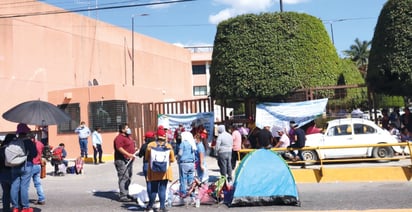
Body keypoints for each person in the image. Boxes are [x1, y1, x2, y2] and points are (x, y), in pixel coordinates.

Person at [145, 126, 175, 212]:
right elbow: (172, 159)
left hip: (154, 171)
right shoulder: (168, 146)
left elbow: (147, 158)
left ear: (156, 136)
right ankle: (162, 207)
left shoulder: (150, 145)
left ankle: (150, 206)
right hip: (165, 172)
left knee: (154, 190)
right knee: (162, 189)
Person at [10, 123, 38, 212]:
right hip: (26, 165)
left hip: (14, 166)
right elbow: (35, 154)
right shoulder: (28, 141)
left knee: (14, 186)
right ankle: (25, 207)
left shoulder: (14, 141)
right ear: (26, 132)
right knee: (24, 187)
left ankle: (15, 207)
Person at [113, 123, 136, 202]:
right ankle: (123, 195)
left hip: (129, 160)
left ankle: (126, 192)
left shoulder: (128, 137)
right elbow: (119, 148)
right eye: (127, 128)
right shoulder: (119, 138)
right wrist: (128, 154)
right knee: (124, 177)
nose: (128, 129)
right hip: (121, 160)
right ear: (122, 130)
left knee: (129, 177)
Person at [177, 131, 196, 200]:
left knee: (183, 179)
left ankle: (183, 194)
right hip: (191, 163)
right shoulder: (192, 143)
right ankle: (192, 194)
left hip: (184, 163)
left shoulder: (183, 143)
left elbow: (180, 153)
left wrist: (177, 159)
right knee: (191, 180)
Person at [0, 133, 16, 212]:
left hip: (2, 173)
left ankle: (6, 208)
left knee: (5, 193)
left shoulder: (1, 149)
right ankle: (15, 208)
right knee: (14, 191)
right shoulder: (12, 150)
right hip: (12, 172)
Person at [137, 131, 156, 197]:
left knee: (149, 182)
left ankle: (150, 198)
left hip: (146, 164)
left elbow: (140, 155)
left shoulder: (145, 145)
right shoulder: (156, 144)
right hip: (156, 165)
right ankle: (155, 196)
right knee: (155, 182)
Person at [31, 135, 46, 205]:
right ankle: (42, 198)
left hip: (30, 165)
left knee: (24, 184)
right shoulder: (40, 144)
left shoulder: (30, 144)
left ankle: (21, 200)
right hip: (38, 165)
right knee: (38, 184)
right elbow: (43, 151)